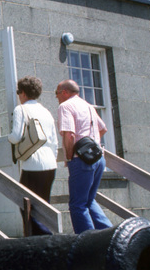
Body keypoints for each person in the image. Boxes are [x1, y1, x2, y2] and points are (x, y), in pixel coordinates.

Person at [55, 78, 112, 234]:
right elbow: (103, 129)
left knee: (77, 205)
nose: (57, 97)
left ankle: (87, 243)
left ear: (64, 92)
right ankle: (109, 235)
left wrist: (70, 157)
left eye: (57, 94)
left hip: (81, 160)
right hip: (98, 158)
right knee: (88, 200)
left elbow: (70, 135)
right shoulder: (88, 106)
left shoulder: (65, 106)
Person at [8, 75, 58, 235]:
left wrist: (7, 137)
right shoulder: (46, 111)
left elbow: (15, 136)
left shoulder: (21, 109)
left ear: (23, 93)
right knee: (44, 204)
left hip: (32, 163)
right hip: (50, 163)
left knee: (27, 206)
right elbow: (54, 142)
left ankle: (42, 240)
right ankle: (45, 238)